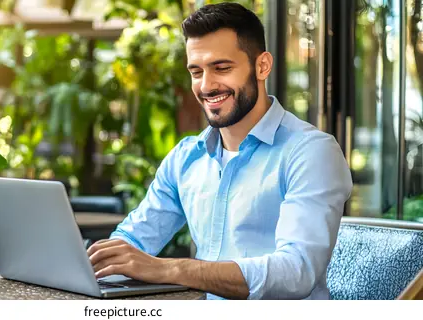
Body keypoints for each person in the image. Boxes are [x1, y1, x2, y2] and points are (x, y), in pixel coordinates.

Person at [87, 2, 353, 300]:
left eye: (222, 68)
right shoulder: (186, 157)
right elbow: (134, 240)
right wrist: (92, 264)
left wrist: (172, 269)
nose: (206, 85)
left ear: (262, 66)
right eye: (196, 71)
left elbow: (296, 271)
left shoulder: (311, 152)